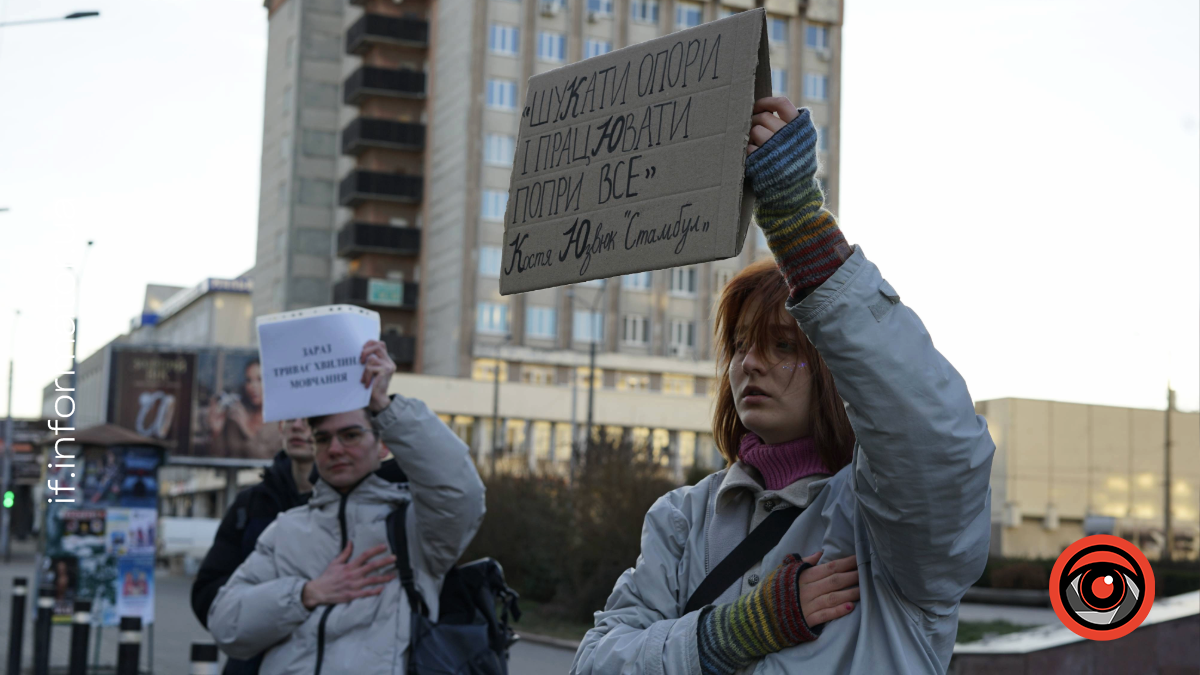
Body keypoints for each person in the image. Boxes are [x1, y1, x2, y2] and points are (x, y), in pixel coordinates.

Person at [571, 98, 995, 674]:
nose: (751, 364)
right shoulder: (682, 518)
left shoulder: (883, 523)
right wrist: (733, 631)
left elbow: (937, 445)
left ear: (833, 368)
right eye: (742, 345)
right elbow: (594, 663)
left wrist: (799, 224)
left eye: (784, 346)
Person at [206, 340, 486, 675]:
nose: (335, 449)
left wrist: (384, 404)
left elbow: (459, 491)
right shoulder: (286, 531)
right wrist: (306, 594)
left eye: (351, 435)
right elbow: (225, 624)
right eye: (323, 439)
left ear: (382, 444)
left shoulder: (413, 528)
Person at [191, 416, 321, 675]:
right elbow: (208, 594)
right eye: (290, 419)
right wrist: (265, 608)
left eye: (309, 420)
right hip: (250, 664)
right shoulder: (250, 504)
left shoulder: (347, 507)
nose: (297, 426)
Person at [209, 358, 281, 459]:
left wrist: (247, 430)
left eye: (260, 379)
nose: (253, 386)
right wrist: (216, 432)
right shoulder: (236, 416)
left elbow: (272, 463)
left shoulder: (280, 422)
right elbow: (219, 458)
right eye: (248, 380)